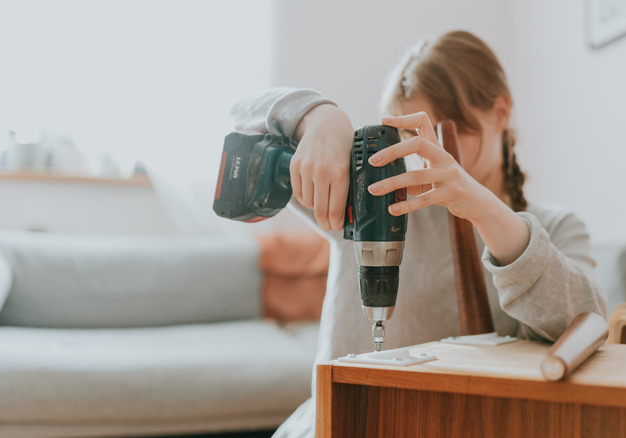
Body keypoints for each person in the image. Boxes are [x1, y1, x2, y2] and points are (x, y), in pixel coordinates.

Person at [230, 30, 606, 438]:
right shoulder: (380, 196)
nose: (427, 155)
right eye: (411, 139)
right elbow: (239, 126)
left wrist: (484, 209)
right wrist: (318, 116)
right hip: (333, 424)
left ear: (501, 112)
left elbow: (584, 325)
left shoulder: (554, 226)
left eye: (448, 133)